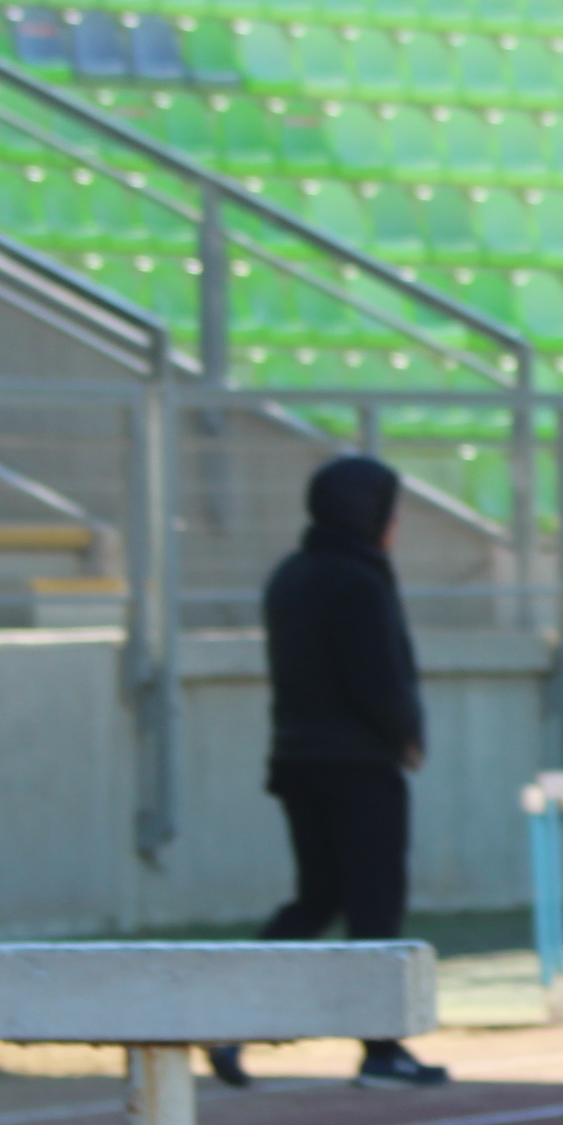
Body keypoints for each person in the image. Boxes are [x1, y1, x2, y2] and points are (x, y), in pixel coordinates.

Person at [211, 455, 449, 1091]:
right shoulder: (359, 580)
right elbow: (377, 676)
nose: (395, 523)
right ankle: (381, 1049)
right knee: (374, 904)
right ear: (366, 513)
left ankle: (228, 1014)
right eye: (390, 510)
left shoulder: (290, 575)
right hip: (357, 766)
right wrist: (406, 735)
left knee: (317, 899)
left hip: (296, 759)